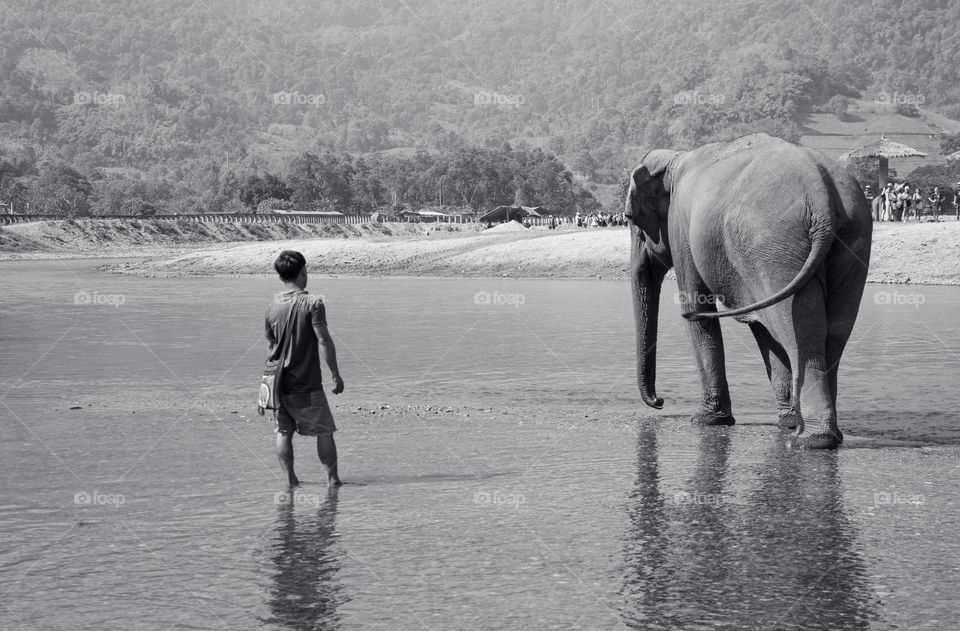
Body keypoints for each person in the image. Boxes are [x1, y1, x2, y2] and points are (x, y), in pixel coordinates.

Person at [264, 250, 345, 487]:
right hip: (306, 382)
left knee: (283, 432)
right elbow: (323, 340)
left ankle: (290, 481)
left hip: (277, 383)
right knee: (324, 431)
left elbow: (271, 345)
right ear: (303, 271)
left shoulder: (272, 306)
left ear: (280, 277)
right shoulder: (313, 302)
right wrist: (335, 374)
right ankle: (332, 481)